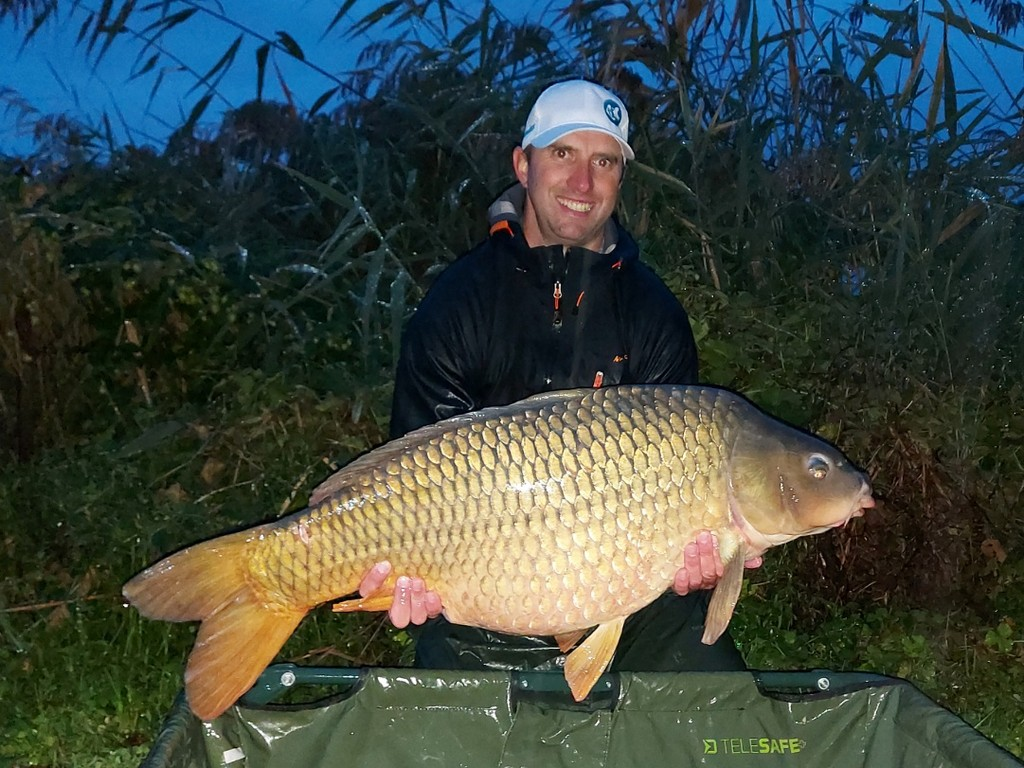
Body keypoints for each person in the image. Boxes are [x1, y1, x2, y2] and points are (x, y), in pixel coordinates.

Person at [358, 79, 759, 674]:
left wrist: (695, 567)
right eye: (563, 153)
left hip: (632, 603)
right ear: (524, 165)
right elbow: (416, 471)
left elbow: (681, 528)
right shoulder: (459, 304)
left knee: (720, 713)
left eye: (604, 162)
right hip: (484, 595)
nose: (582, 182)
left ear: (620, 179)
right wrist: (410, 571)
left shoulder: (653, 316)